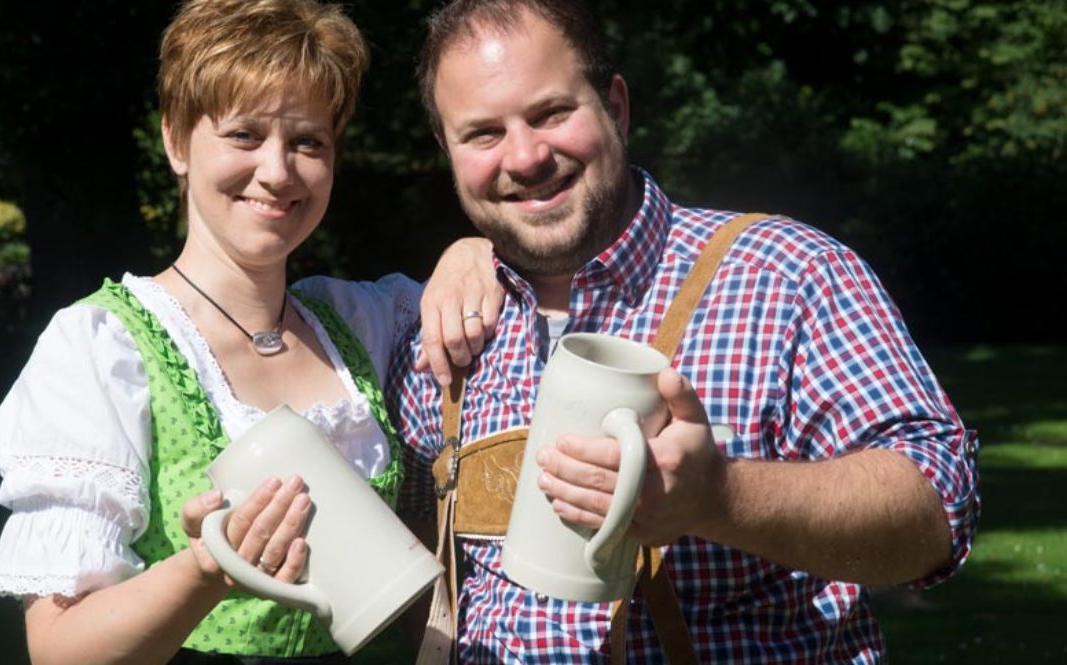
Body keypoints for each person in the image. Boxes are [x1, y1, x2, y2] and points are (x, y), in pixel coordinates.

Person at [388, 0, 981, 662]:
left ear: (615, 106)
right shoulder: (440, 332)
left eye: (552, 113)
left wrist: (720, 497)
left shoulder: (785, 274)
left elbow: (936, 509)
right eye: (483, 134)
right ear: (447, 149)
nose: (525, 156)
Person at [0, 1, 502, 663]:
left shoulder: (359, 323)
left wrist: (471, 251)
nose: (278, 170)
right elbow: (59, 649)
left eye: (308, 141)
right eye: (244, 135)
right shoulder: (102, 348)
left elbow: (514, 289)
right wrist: (205, 567)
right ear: (176, 141)